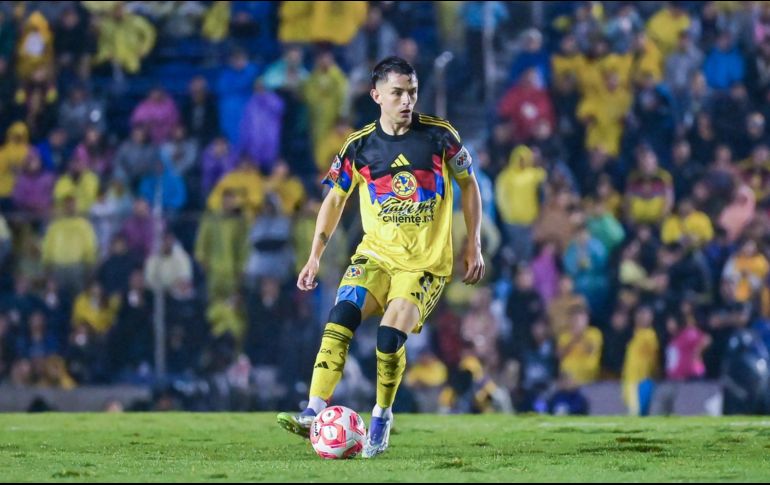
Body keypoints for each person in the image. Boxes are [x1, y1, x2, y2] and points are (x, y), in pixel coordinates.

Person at [276, 56, 485, 458]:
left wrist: (472, 242)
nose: (407, 100)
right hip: (374, 256)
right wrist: (314, 256)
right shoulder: (359, 146)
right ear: (377, 96)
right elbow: (335, 199)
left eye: (412, 92)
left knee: (388, 338)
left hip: (423, 265)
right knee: (340, 317)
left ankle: (381, 415)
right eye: (398, 93)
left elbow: (470, 184)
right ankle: (314, 409)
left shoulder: (440, 137)